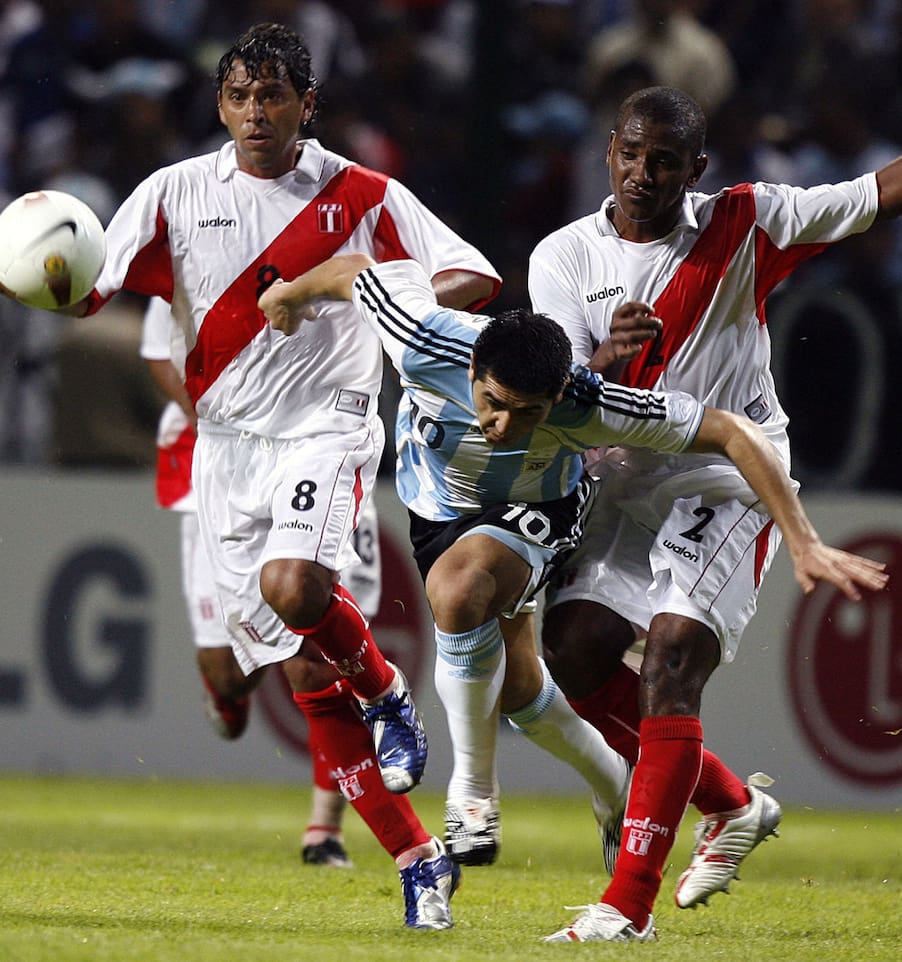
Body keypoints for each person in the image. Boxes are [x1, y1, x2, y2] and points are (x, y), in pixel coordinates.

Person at [0, 22, 501, 930]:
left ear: (308, 105)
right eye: (239, 96)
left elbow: (475, 275)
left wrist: (368, 284)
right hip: (222, 449)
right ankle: (419, 860)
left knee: (296, 587)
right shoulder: (176, 191)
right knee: (303, 676)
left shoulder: (361, 193)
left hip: (325, 426)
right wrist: (33, 273)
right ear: (220, 104)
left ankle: (385, 692)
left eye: (273, 96)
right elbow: (90, 285)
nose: (255, 113)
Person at [257, 253, 888, 904]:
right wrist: (288, 295)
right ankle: (614, 783)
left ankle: (472, 793)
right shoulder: (421, 333)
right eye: (493, 402)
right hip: (439, 510)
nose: (503, 426)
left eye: (529, 414)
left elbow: (731, 431)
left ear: (558, 396)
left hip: (541, 511)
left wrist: (801, 537)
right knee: (521, 689)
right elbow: (357, 268)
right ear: (472, 367)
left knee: (459, 589)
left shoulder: (590, 404)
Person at [520, 85, 902, 941]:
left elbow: (880, 192)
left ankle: (627, 907)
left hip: (727, 472)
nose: (643, 174)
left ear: (695, 169)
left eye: (664, 161)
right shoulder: (564, 257)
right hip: (626, 475)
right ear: (608, 153)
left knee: (671, 658)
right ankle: (731, 807)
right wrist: (605, 356)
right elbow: (560, 385)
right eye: (630, 155)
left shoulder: (748, 221)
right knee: (574, 653)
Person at [141, 294, 383, 868]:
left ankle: (325, 828)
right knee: (229, 673)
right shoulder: (192, 234)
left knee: (320, 643)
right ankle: (227, 695)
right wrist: (215, 414)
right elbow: (157, 352)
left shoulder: (331, 247)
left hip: (315, 450)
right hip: (218, 466)